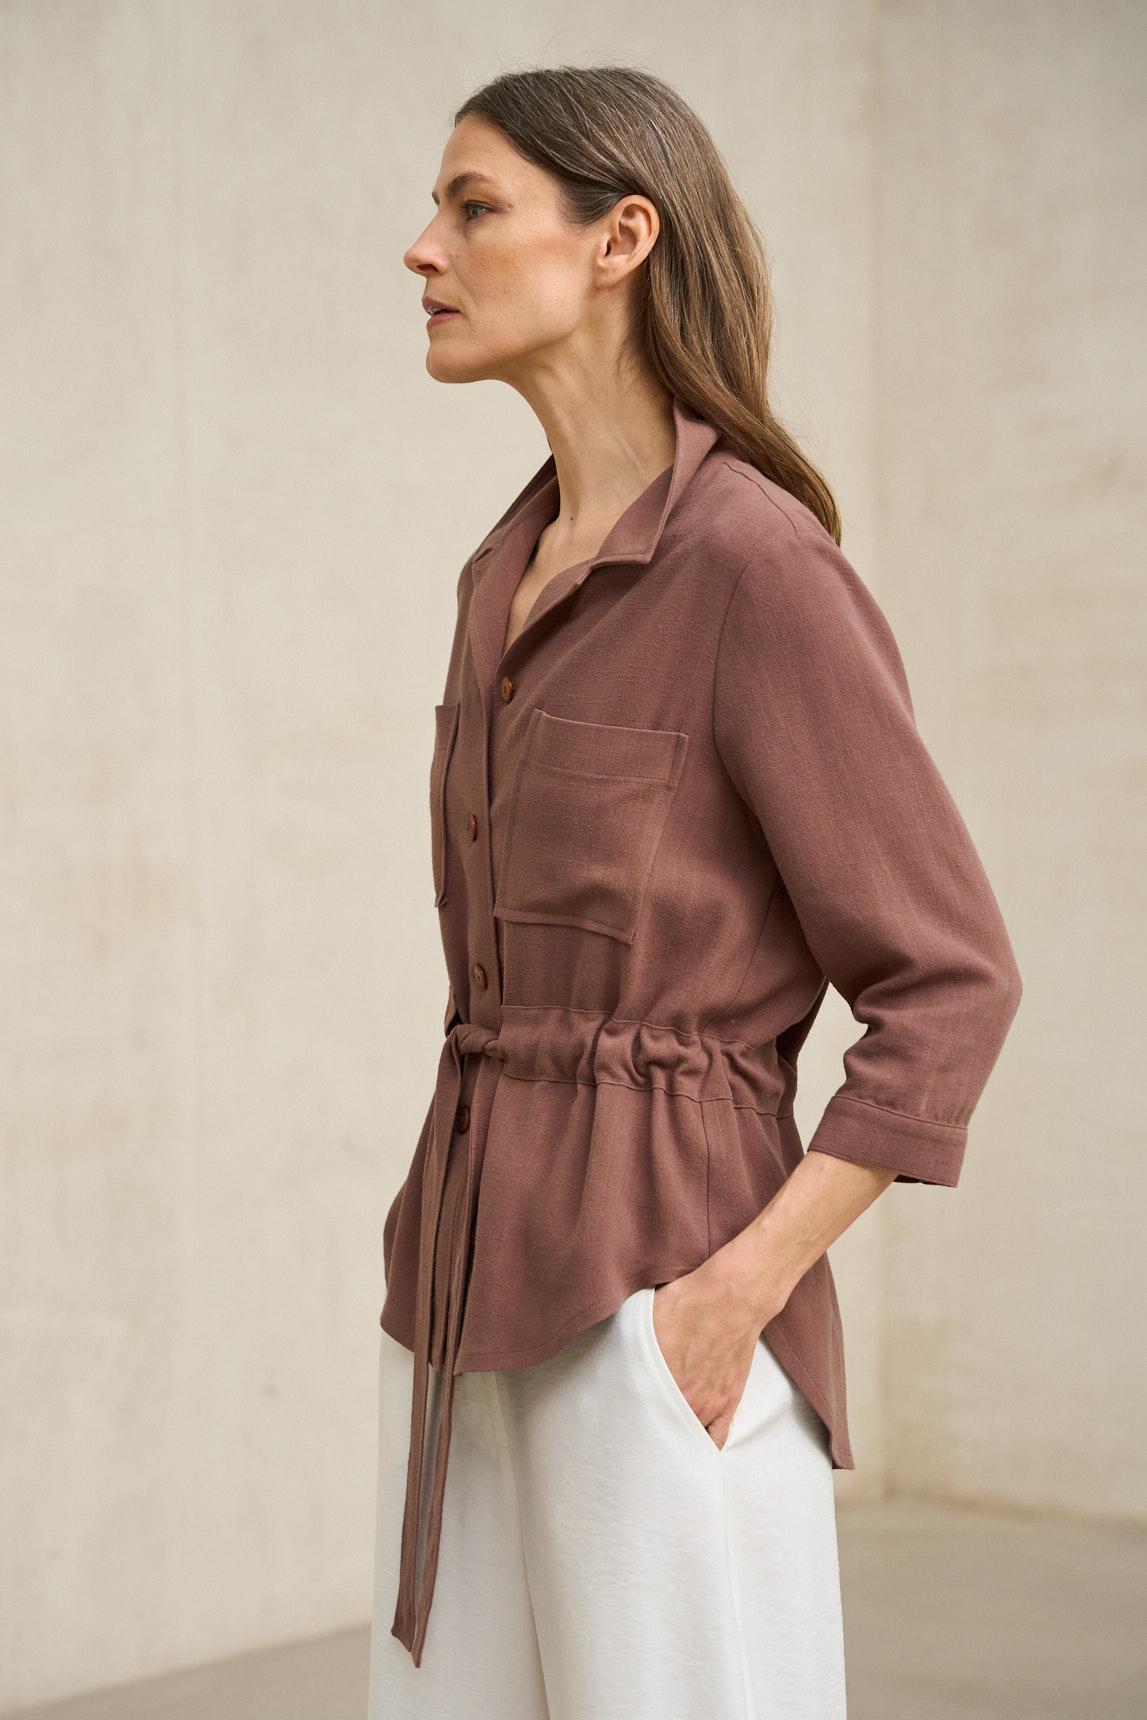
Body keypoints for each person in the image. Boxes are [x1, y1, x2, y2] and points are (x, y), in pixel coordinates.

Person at [367, 64, 1023, 1720]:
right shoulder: (499, 577)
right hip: (453, 1295)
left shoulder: (755, 567)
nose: (423, 249)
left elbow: (950, 983)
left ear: (621, 241)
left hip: (655, 1307)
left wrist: (732, 1298)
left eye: (472, 207)